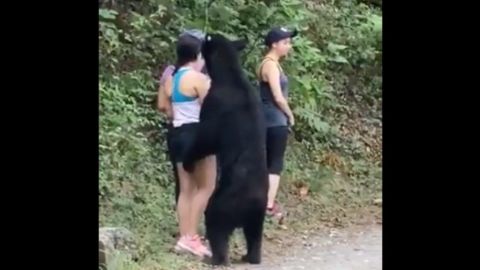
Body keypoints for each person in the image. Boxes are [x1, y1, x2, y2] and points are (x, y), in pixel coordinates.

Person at [157, 31, 216, 257]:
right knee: (206, 187)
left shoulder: (172, 77)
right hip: (198, 135)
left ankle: (184, 237)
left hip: (178, 134)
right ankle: (192, 237)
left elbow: (166, 108)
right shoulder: (199, 79)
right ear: (198, 54)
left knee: (186, 188)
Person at [257, 27, 297, 218]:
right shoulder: (270, 65)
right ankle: (268, 205)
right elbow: (278, 97)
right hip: (274, 119)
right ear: (274, 44)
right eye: (285, 42)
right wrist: (290, 114)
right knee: (275, 164)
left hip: (268, 119)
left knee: (267, 162)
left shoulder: (272, 64)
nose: (288, 46)